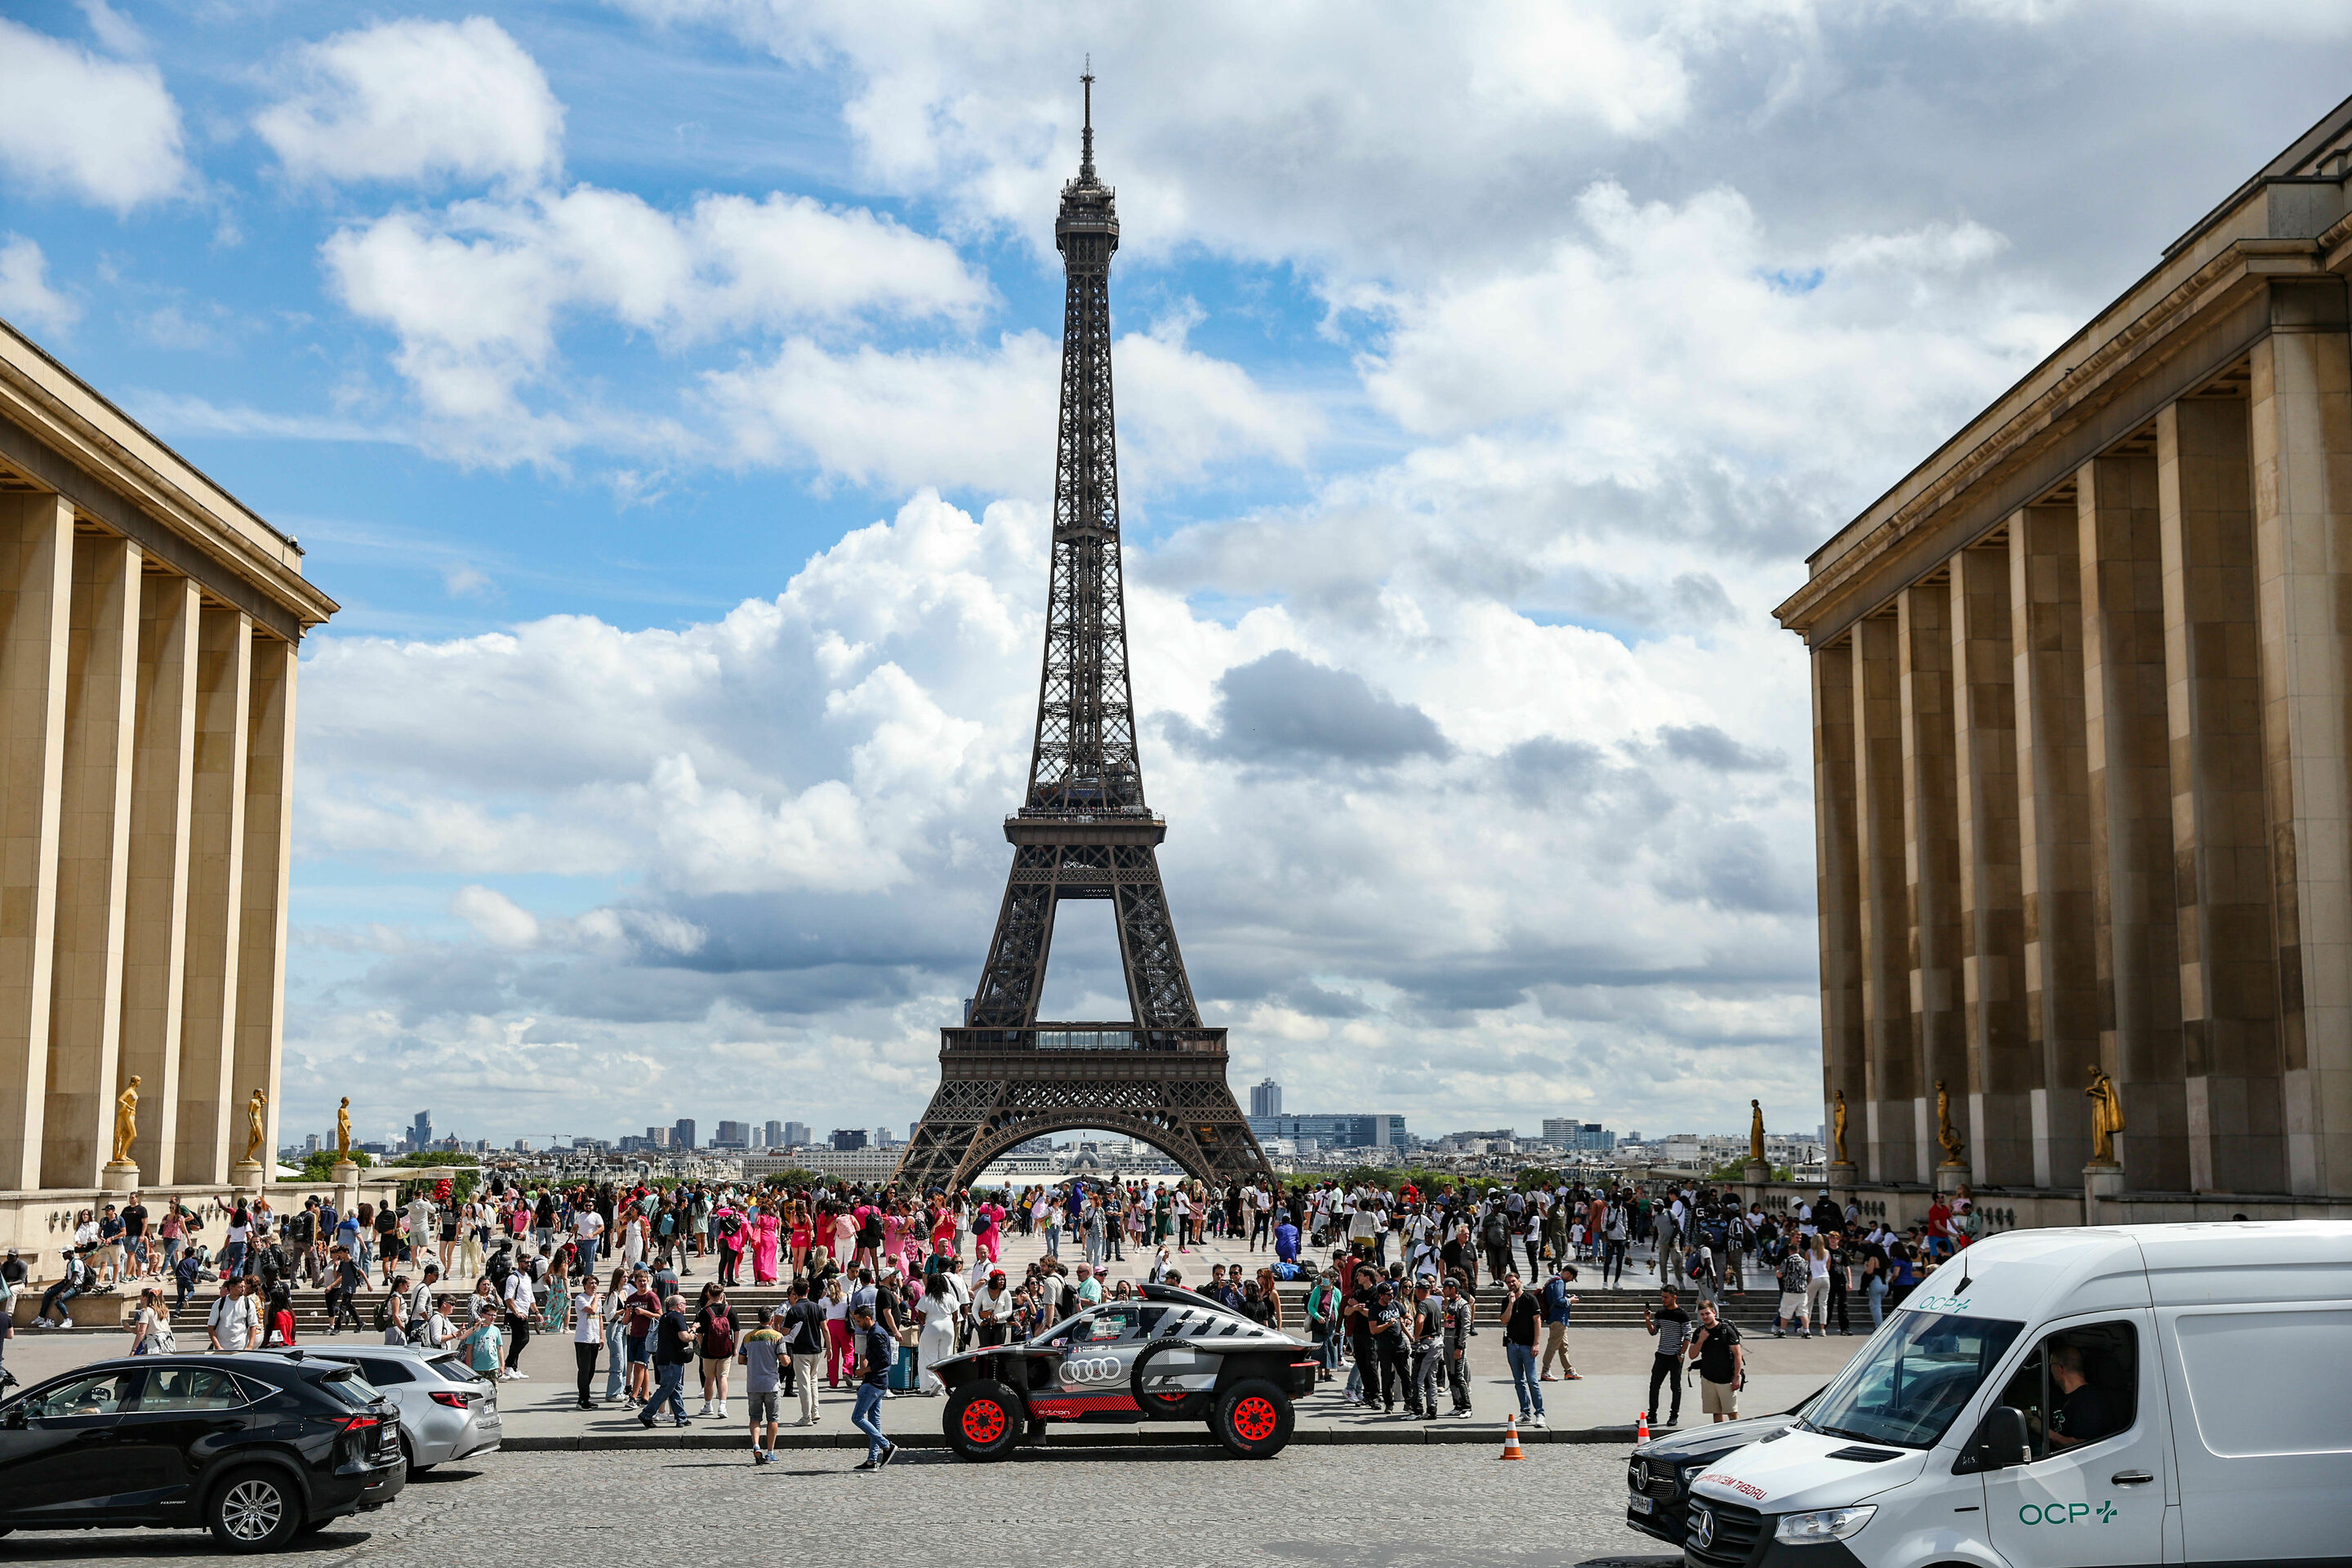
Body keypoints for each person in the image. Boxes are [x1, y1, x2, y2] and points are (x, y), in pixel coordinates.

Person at [848, 1302, 897, 1470]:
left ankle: (887, 1446)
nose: (857, 1325)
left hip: (874, 1382)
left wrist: (864, 1370)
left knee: (857, 1417)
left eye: (859, 1321)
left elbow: (885, 1361)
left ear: (867, 1318)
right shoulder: (876, 1332)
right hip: (879, 1382)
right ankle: (872, 1461)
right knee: (874, 1421)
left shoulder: (876, 1334)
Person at [640, 1293, 696, 1428]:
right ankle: (646, 1414)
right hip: (673, 1360)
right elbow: (684, 1337)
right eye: (685, 1304)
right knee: (666, 1388)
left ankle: (681, 1417)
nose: (686, 1306)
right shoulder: (677, 1316)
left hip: (663, 1358)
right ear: (679, 1305)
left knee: (675, 1388)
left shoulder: (664, 1317)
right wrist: (694, 1331)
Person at [738, 1306, 786, 1463]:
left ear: (758, 1319)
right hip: (771, 1384)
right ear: (772, 1320)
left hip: (753, 1384)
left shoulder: (748, 1337)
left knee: (755, 1418)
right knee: (773, 1419)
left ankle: (756, 1445)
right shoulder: (777, 1336)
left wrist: (754, 1362)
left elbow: (741, 1360)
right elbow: (784, 1361)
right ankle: (770, 1452)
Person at [2046, 1343, 2114, 1449]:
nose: (2050, 1370)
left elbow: (2081, 1446)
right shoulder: (2062, 1397)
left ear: (2060, 1368)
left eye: (2051, 1365)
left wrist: (2043, 1431)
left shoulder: (2090, 1401)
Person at [1501, 1273, 1546, 1428]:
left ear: (1519, 1281)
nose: (1511, 1284)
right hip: (1512, 1346)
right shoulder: (1506, 1300)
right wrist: (1511, 1304)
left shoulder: (1530, 1299)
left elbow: (1537, 1321)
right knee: (1519, 1381)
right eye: (1508, 1282)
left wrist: (1536, 1343)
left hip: (1528, 1346)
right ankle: (1525, 1413)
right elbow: (1504, 1321)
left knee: (1532, 1381)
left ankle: (1540, 1413)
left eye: (1513, 1281)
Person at [782, 1277, 827, 1427]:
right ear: (808, 1290)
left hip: (801, 1351)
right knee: (813, 1381)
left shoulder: (793, 1310)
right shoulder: (816, 1307)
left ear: (795, 1292)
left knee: (804, 1384)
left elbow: (785, 1331)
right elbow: (825, 1328)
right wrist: (830, 1347)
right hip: (816, 1349)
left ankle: (806, 1417)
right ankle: (815, 1411)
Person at [1643, 1285, 1690, 1428]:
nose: (1663, 1300)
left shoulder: (1682, 1315)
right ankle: (1652, 1415)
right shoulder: (1660, 1313)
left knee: (1675, 1386)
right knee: (1654, 1385)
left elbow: (1688, 1336)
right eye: (1662, 1297)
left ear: (1674, 1297)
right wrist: (1647, 1320)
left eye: (1666, 1297)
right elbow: (1653, 1332)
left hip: (1675, 1356)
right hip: (1661, 1355)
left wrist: (1681, 1353)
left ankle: (1674, 1416)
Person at [1690, 1300, 1744, 1421]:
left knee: (1732, 1413)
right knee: (1716, 1413)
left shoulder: (1726, 1330)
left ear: (1714, 1313)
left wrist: (1736, 1377)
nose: (1705, 1317)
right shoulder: (1699, 1332)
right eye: (1702, 1314)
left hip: (1726, 1379)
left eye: (1707, 1313)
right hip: (1708, 1378)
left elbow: (1738, 1355)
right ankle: (1719, 1433)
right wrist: (1701, 1340)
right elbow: (1692, 1355)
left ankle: (1738, 1432)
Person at [697, 1283, 737, 1418]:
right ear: (722, 1295)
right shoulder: (730, 1310)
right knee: (723, 1377)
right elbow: (737, 1330)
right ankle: (722, 1406)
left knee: (709, 1378)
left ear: (709, 1295)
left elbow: (699, 1333)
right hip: (726, 1350)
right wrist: (735, 1348)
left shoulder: (704, 1312)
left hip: (708, 1351)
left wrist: (702, 1347)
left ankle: (708, 1406)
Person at [1539, 1263, 1580, 1382]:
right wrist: (1570, 1300)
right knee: (1553, 1345)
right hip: (1558, 1319)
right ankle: (1545, 1371)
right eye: (1572, 1277)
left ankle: (1569, 1371)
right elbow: (1558, 1301)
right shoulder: (1559, 1282)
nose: (1571, 1280)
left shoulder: (1554, 1280)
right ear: (1567, 1273)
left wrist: (1567, 1297)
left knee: (1564, 1346)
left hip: (1559, 1319)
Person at [572, 1272, 605, 1411]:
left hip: (594, 1339)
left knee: (591, 1370)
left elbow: (599, 1317)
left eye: (596, 1283)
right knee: (584, 1370)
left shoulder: (597, 1300)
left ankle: (584, 1398)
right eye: (591, 1283)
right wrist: (596, 1298)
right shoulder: (580, 1298)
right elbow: (591, 1310)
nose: (594, 1285)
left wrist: (601, 1337)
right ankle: (583, 1399)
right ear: (585, 1285)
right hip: (583, 1339)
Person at [207, 1276, 260, 1353]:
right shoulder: (219, 1303)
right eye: (240, 1287)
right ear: (232, 1288)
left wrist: (250, 1346)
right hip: (222, 1349)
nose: (243, 1289)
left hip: (242, 1348)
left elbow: (253, 1326)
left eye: (244, 1287)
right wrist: (218, 1347)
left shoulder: (248, 1303)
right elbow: (211, 1328)